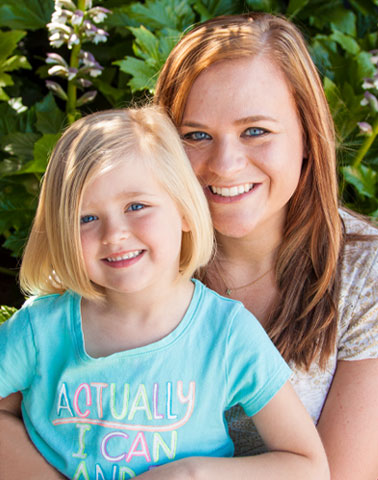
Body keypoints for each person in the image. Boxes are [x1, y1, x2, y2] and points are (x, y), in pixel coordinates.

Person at [0, 105, 329, 480]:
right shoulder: (41, 327)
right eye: (86, 218)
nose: (114, 234)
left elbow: (308, 466)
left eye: (136, 206)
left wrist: (193, 474)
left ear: (185, 211)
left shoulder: (226, 333)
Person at [153, 12, 378, 479]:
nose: (226, 165)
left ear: (306, 138)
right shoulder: (120, 247)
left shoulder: (363, 273)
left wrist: (195, 476)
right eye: (196, 135)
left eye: (255, 131)